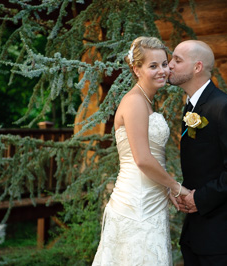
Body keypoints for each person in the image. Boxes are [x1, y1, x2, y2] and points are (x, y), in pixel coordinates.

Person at [92, 36, 190, 266]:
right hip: (136, 205)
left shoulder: (146, 101)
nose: (162, 71)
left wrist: (163, 189)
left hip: (151, 201)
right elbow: (143, 159)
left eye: (164, 64)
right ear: (136, 69)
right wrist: (175, 187)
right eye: (153, 66)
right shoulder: (134, 102)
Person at [168, 40, 227, 265]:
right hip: (196, 232)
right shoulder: (191, 108)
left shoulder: (223, 107)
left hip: (221, 234)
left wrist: (200, 197)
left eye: (177, 60)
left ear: (197, 67)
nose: (169, 65)